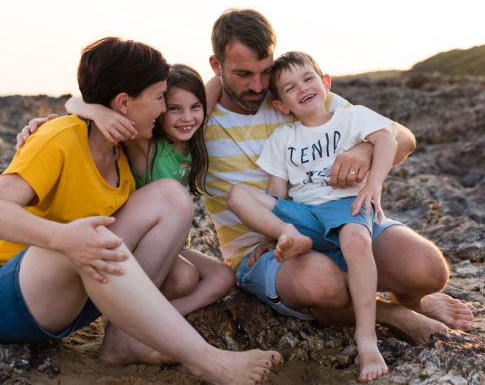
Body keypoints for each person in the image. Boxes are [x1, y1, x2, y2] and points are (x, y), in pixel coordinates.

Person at [0, 37, 280, 385]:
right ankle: (211, 362)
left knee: (170, 196)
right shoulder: (60, 135)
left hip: (76, 298)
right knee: (90, 234)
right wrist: (63, 237)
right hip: (14, 294)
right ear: (123, 102)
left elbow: (210, 90)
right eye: (160, 98)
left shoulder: (124, 150)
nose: (165, 108)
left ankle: (123, 337)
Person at [203, 8, 474, 342]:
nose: (258, 86)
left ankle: (413, 300)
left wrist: (363, 151)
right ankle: (392, 314)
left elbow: (402, 138)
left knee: (427, 268)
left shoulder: (293, 94)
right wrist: (204, 98)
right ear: (216, 67)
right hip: (266, 250)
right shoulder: (196, 120)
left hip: (339, 219)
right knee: (323, 284)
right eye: (243, 74)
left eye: (265, 71)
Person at [227, 51, 398, 382]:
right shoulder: (283, 138)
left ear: (325, 83)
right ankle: (290, 235)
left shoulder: (351, 117)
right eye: (290, 88)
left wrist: (373, 185)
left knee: (357, 239)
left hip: (345, 204)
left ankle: (366, 339)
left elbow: (387, 139)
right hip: (302, 215)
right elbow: (277, 194)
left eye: (308, 79)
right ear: (281, 106)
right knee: (238, 194)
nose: (302, 88)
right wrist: (272, 235)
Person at [65, 63, 236, 316]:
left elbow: (221, 78)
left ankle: (165, 318)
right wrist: (97, 113)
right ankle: (137, 321)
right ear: (159, 110)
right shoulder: (145, 144)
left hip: (178, 244)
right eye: (174, 109)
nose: (187, 117)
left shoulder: (192, 135)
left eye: (195, 107)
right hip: (142, 244)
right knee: (185, 278)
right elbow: (74, 102)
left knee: (224, 277)